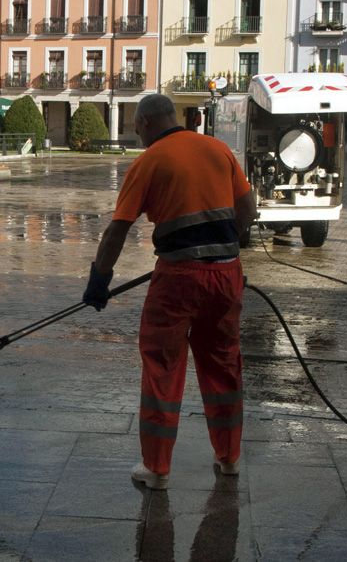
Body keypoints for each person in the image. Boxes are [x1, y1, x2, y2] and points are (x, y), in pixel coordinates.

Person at [83, 93, 257, 491]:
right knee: (223, 364)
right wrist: (225, 249)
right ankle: (229, 459)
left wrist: (99, 280)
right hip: (227, 274)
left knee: (163, 367)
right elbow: (247, 210)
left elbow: (117, 230)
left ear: (144, 124)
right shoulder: (218, 150)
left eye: (136, 127)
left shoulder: (149, 161)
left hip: (178, 279)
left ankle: (157, 469)